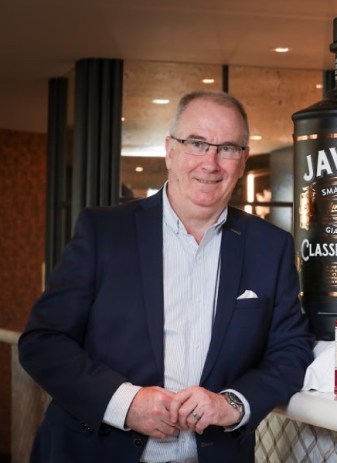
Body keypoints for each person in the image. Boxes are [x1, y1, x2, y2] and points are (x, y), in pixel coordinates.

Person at [19, 90, 315, 462]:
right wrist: (126, 403)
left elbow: (290, 350)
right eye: (197, 144)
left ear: (242, 161)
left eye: (227, 148)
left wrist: (233, 404)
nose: (210, 163)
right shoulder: (104, 232)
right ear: (170, 150)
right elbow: (43, 341)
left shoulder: (270, 247)